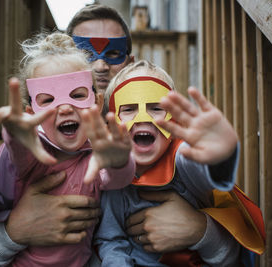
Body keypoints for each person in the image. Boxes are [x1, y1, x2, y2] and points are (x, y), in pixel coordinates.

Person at [0, 4, 264, 267]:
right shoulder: (38, 146)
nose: (99, 65)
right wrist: (14, 231)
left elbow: (235, 254)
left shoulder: (167, 142)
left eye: (113, 53)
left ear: (128, 62)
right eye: (85, 53)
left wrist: (200, 230)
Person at [0, 32, 135, 267]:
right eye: (48, 100)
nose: (64, 107)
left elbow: (116, 179)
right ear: (31, 112)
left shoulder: (94, 155)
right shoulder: (35, 154)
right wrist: (17, 136)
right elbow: (18, 159)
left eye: (77, 95)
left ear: (97, 102)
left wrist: (119, 161)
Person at [94, 60, 239, 266]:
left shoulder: (183, 159)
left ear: (174, 122)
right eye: (128, 109)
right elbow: (111, 240)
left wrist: (221, 155)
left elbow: (205, 171)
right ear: (111, 125)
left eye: (156, 108)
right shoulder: (113, 177)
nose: (143, 118)